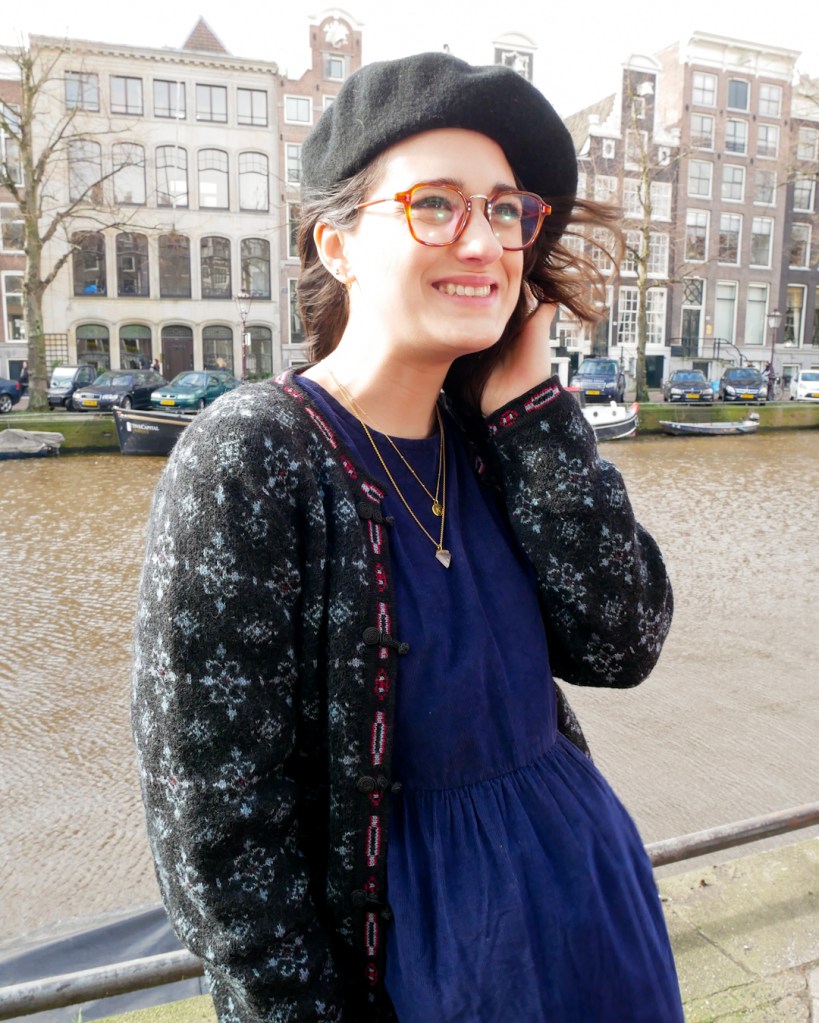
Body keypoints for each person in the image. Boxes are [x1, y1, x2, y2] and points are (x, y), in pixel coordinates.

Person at [132, 52, 681, 1023]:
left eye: (507, 210)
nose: (484, 242)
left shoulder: (495, 439)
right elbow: (216, 831)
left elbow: (622, 642)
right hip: (426, 972)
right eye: (436, 205)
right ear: (336, 243)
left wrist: (533, 406)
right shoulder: (254, 456)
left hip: (595, 927)